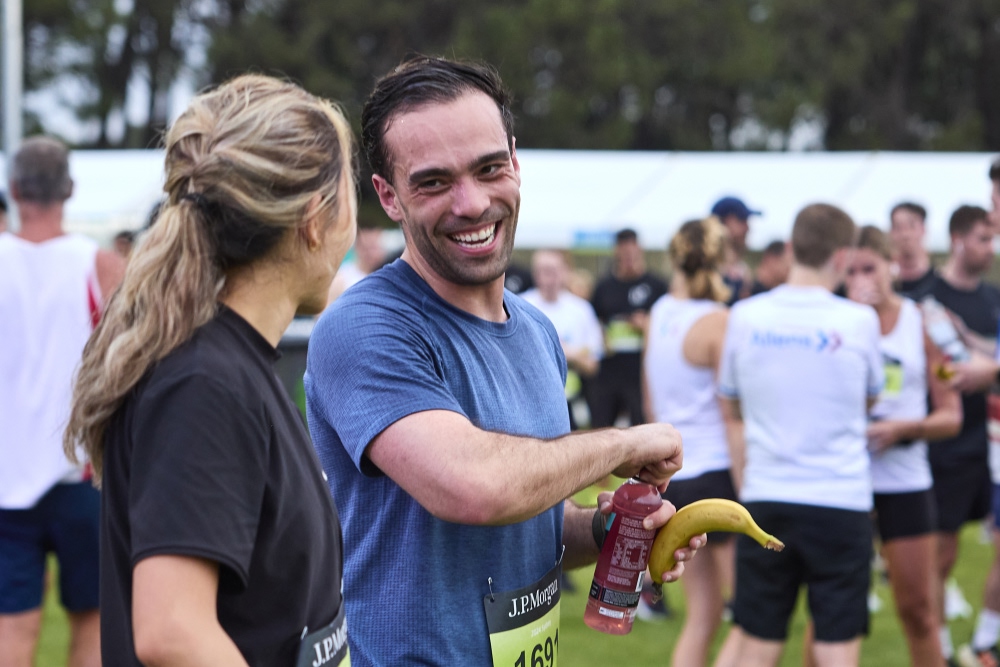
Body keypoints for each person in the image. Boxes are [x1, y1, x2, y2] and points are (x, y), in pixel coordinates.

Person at [305, 56, 701, 666]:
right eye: (434, 182)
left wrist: (608, 531)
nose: (472, 203)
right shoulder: (365, 327)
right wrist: (623, 445)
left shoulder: (537, 329)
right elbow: (477, 489)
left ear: (515, 162)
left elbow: (527, 525)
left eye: (490, 169)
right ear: (388, 196)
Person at [63, 74, 357, 666]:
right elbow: (172, 630)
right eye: (353, 189)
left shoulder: (230, 365)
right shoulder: (204, 383)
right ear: (314, 218)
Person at [713, 203, 884, 667]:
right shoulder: (860, 321)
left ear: (791, 248)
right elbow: (872, 400)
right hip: (840, 501)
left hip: (767, 497)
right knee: (836, 646)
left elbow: (730, 405)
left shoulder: (745, 316)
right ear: (844, 257)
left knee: (756, 640)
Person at [0, 136, 125, 667]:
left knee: (12, 632)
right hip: (80, 474)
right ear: (70, 190)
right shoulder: (102, 267)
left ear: (13, 189)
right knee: (92, 628)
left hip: (6, 479)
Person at [846, 225, 962, 667]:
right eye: (851, 270)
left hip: (905, 478)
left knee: (918, 610)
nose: (861, 279)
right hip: (846, 483)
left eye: (869, 268)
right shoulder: (838, 322)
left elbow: (951, 414)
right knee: (837, 613)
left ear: (891, 265)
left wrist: (901, 429)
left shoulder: (925, 322)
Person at [643, 216, 739, 666]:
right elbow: (731, 415)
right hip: (718, 472)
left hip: (676, 472)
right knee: (751, 618)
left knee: (703, 614)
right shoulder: (718, 319)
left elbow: (650, 402)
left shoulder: (660, 311)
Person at [589, 228, 668, 428]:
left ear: (639, 251)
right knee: (601, 429)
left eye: (632, 255)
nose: (629, 260)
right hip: (610, 371)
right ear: (616, 253)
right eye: (624, 255)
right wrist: (602, 336)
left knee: (641, 428)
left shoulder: (657, 286)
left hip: (641, 372)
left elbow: (666, 325)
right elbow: (593, 321)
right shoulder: (604, 287)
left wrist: (647, 324)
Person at [521, 249, 604, 430]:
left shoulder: (581, 310)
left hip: (570, 403)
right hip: (529, 404)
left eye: (554, 270)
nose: (549, 277)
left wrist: (568, 356)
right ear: (535, 273)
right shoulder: (521, 306)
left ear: (565, 272)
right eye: (543, 270)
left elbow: (593, 365)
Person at [711, 195, 761, 305]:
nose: (747, 228)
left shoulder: (743, 271)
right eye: (741, 220)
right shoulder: (705, 272)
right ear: (723, 223)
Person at [327, 224, 388, 303]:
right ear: (357, 248)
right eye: (368, 248)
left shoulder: (387, 276)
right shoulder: (342, 278)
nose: (373, 253)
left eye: (375, 247)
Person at [889, 202, 937, 299]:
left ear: (923, 229)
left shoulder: (939, 282)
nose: (905, 234)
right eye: (898, 227)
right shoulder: (885, 284)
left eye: (911, 226)